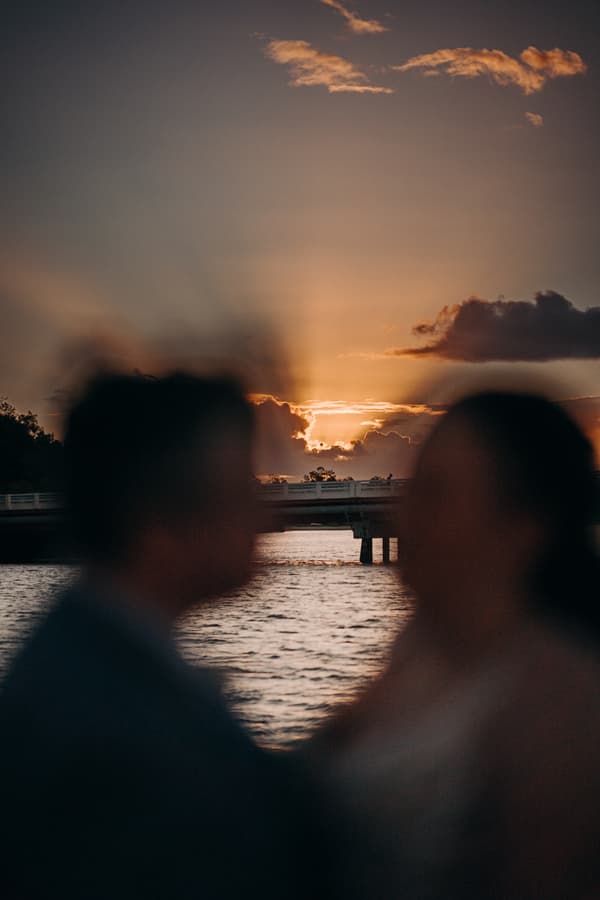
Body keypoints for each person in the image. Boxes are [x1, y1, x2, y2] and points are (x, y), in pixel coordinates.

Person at [0, 371, 318, 900]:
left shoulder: (93, 655)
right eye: (240, 486)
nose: (265, 511)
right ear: (157, 519)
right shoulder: (113, 718)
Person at [307, 390, 600, 900]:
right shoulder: (417, 649)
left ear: (522, 526)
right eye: (413, 486)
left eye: (435, 493)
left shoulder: (559, 703)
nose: (404, 514)